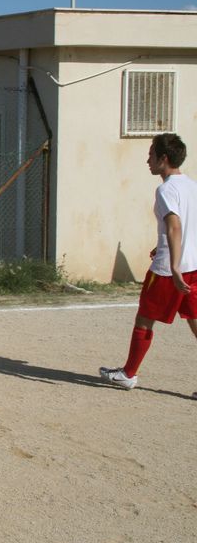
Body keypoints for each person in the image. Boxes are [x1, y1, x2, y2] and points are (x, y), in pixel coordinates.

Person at [100, 133, 197, 391]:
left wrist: (174, 266)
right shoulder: (192, 185)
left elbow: (175, 226)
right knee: (195, 320)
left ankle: (128, 374)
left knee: (144, 319)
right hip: (194, 267)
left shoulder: (166, 189)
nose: (148, 160)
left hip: (168, 271)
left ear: (163, 159)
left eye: (151, 154)